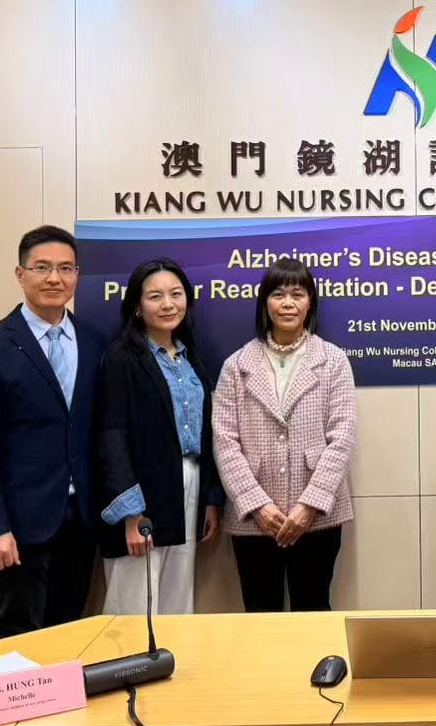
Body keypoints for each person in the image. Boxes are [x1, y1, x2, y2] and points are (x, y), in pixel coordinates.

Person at [0, 226, 104, 637]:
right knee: (18, 638)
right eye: (42, 268)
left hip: (80, 520)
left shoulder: (94, 342)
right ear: (21, 274)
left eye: (65, 268)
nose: (54, 278)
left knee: (69, 631)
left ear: (77, 275)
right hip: (18, 526)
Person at [212, 259, 355, 612]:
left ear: (311, 303)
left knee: (313, 608)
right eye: (278, 294)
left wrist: (309, 505)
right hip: (253, 520)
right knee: (260, 613)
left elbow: (343, 436)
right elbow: (224, 441)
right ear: (265, 303)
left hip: (318, 517)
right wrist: (257, 505)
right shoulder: (236, 365)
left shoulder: (333, 360)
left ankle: (318, 670)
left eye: (298, 294)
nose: (288, 303)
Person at [95, 258, 225, 615]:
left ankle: (171, 668)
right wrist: (130, 513)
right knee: (134, 605)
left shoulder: (189, 358)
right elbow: (111, 436)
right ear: (136, 305)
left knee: (176, 599)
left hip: (188, 483)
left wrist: (210, 498)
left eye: (176, 294)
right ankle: (129, 672)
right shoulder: (121, 359)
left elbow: (206, 432)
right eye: (155, 296)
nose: (168, 304)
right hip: (142, 493)